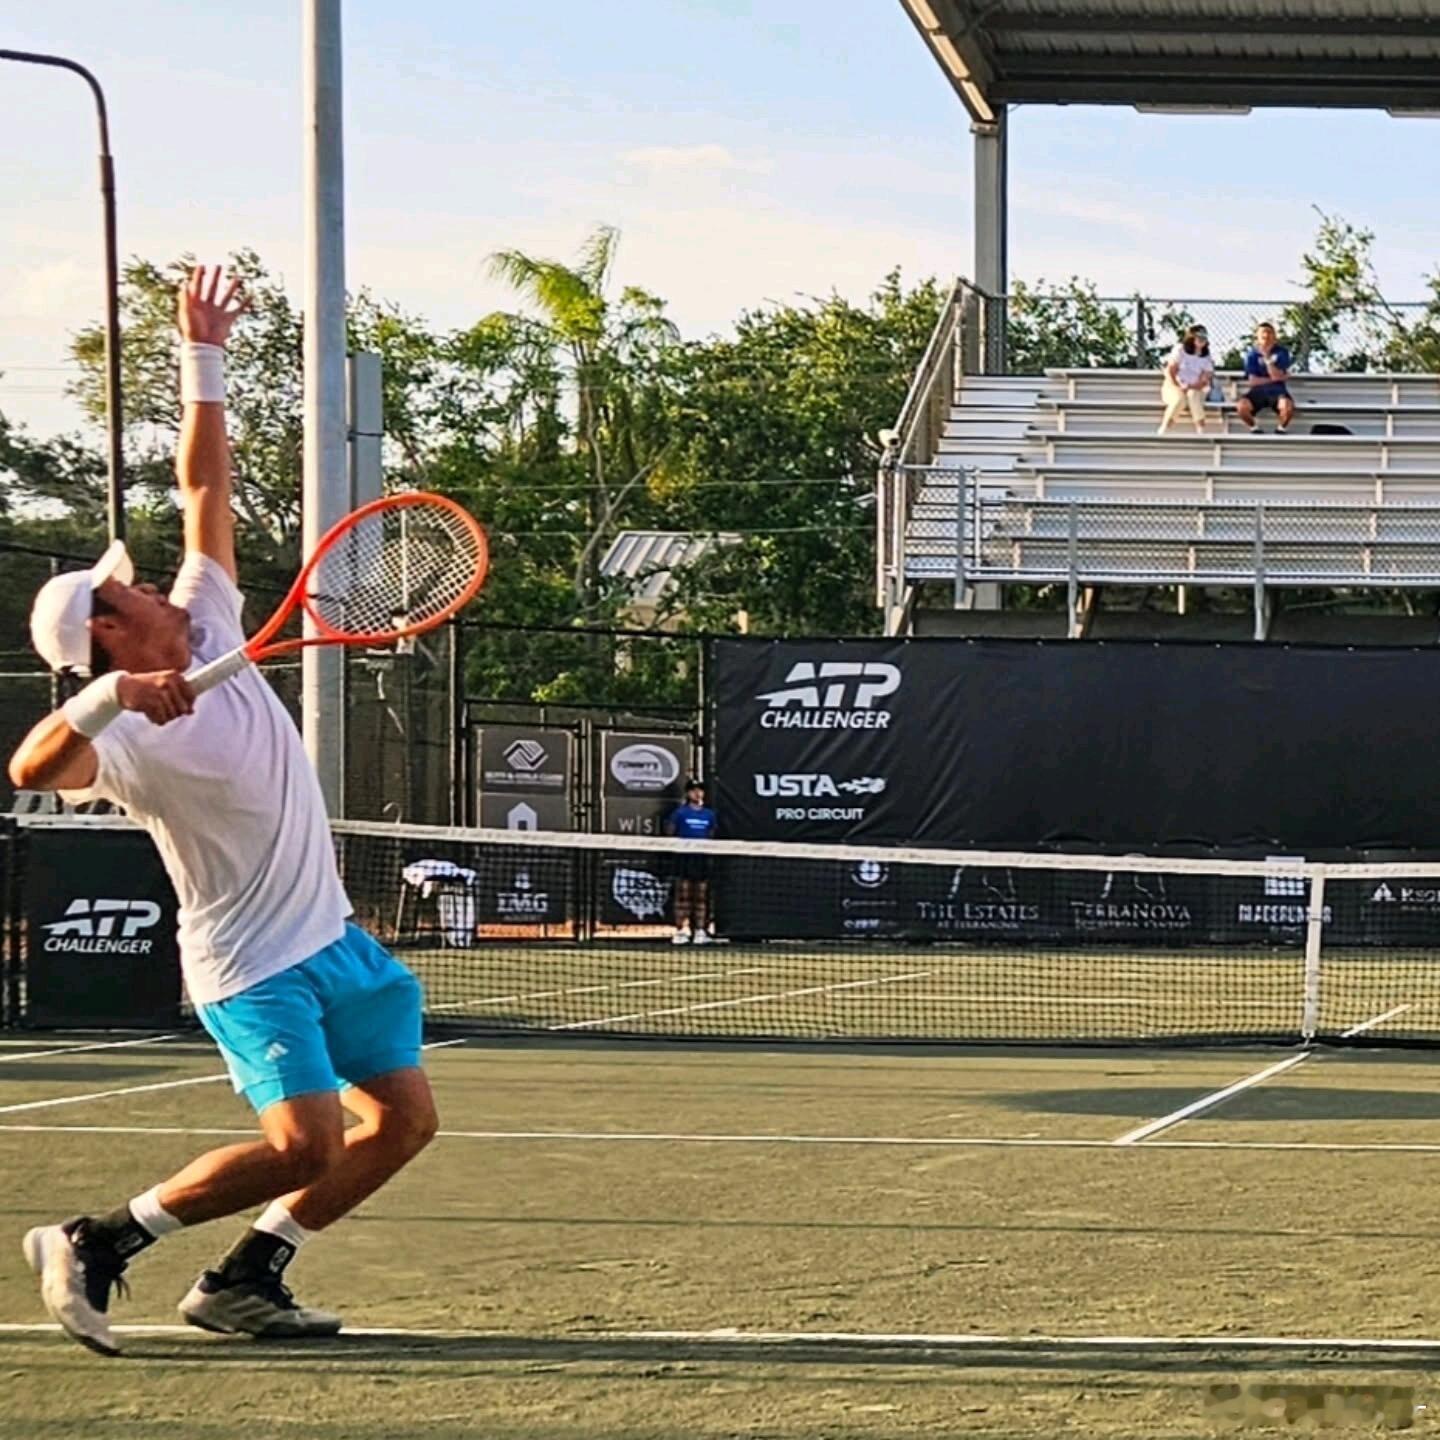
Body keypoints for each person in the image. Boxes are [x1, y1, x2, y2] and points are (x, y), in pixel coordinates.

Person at [8, 266, 437, 1356]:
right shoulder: (125, 741)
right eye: (125, 590)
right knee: (304, 1145)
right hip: (251, 966)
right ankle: (97, 1239)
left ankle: (247, 1278)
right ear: (106, 633)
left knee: (403, 1122)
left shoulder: (210, 614)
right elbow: (28, 769)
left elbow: (206, 488)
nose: (149, 581)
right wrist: (111, 699)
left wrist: (204, 358)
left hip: (333, 938)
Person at [666, 778, 717, 945]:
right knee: (683, 896)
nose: (697, 793)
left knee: (701, 897)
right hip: (684, 858)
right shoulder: (680, 813)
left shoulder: (709, 815)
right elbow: (670, 832)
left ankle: (700, 931)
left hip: (701, 859)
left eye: (700, 790)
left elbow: (712, 835)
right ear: (688, 793)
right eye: (694, 790)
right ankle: (681, 930)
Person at [1237, 322, 1296, 434]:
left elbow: (1276, 375)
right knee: (1242, 406)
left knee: (1287, 406)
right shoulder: (1252, 354)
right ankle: (1254, 428)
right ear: (1257, 337)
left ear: (1274, 336)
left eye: (1269, 333)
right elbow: (1253, 381)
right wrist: (1276, 378)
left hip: (1277, 390)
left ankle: (1280, 429)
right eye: (1263, 333)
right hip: (1258, 391)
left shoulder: (1281, 352)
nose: (1266, 336)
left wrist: (1267, 358)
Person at [1158, 324, 1214, 436]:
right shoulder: (1180, 350)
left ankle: (1200, 430)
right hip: (1174, 385)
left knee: (1193, 395)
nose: (1202, 340)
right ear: (1191, 337)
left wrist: (1190, 387)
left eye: (1204, 337)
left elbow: (1204, 379)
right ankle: (1165, 428)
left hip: (1196, 388)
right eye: (1199, 336)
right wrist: (1179, 386)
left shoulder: (1206, 356)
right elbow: (1170, 371)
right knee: (1179, 399)